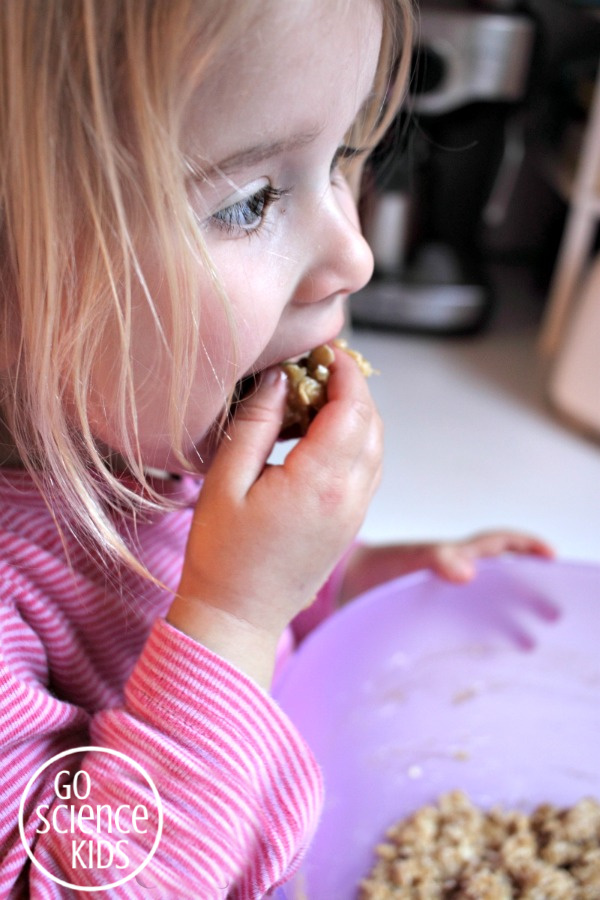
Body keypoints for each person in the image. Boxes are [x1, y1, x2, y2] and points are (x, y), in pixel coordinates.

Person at [0, 1, 554, 896]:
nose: (355, 257)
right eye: (250, 201)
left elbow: (181, 574)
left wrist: (347, 581)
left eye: (338, 160)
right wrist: (237, 613)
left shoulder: (140, 449)